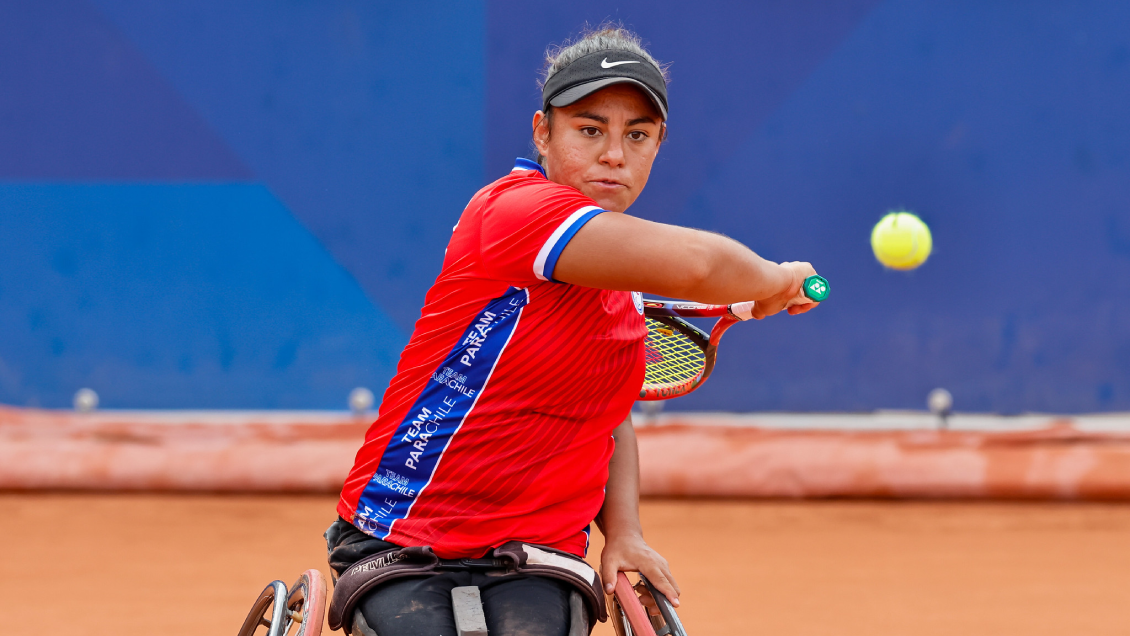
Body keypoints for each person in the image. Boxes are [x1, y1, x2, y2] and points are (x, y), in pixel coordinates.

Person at [325, 25, 821, 636]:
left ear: (658, 144)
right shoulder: (513, 212)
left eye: (636, 135)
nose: (614, 154)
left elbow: (610, 419)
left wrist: (627, 534)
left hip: (536, 555)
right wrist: (774, 278)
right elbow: (700, 267)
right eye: (591, 130)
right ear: (542, 132)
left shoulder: (620, 287)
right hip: (404, 536)